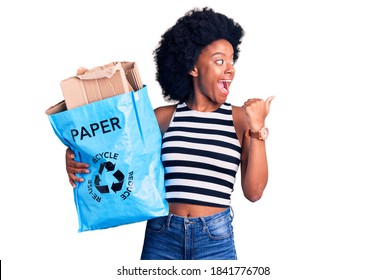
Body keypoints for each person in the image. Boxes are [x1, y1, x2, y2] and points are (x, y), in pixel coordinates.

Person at [65, 7, 274, 260]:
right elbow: (116, 152)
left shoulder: (240, 118)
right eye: (220, 61)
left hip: (215, 240)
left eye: (232, 61)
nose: (230, 69)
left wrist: (257, 129)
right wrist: (76, 158)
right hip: (162, 235)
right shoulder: (164, 117)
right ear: (193, 67)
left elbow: (254, 192)